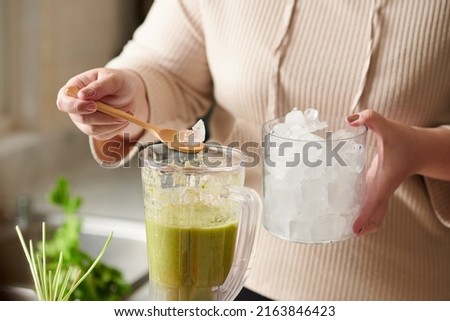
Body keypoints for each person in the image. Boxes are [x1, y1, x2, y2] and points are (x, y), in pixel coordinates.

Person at [56, 0, 450, 300]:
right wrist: (128, 96)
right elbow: (165, 66)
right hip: (233, 279)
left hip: (403, 291)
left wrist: (420, 149)